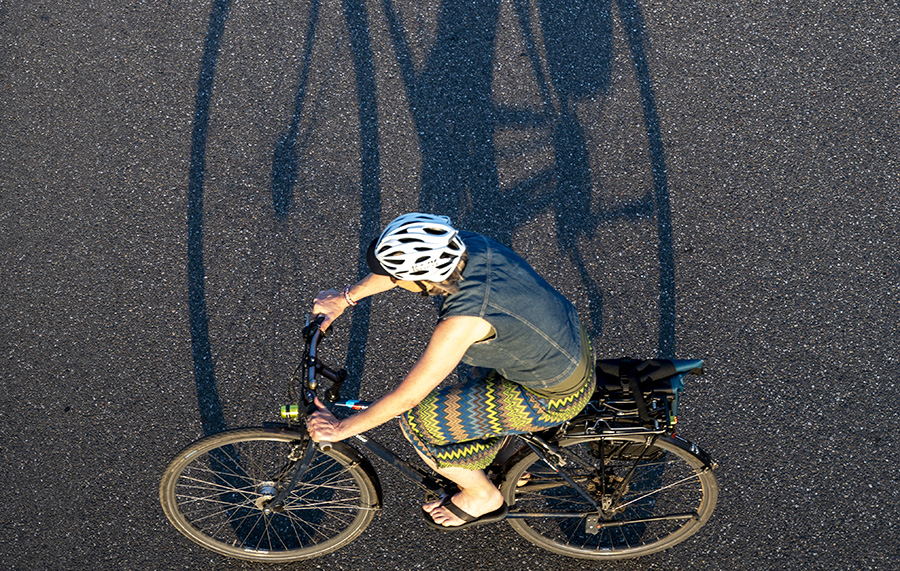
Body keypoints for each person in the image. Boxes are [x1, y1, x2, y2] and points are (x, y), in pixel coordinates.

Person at [307, 213, 595, 530]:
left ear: (423, 278)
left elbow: (407, 398)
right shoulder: (466, 244)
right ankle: (504, 459)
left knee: (420, 420)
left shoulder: (463, 321)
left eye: (397, 277)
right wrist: (345, 298)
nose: (393, 280)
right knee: (466, 395)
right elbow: (401, 272)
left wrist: (340, 430)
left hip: (554, 393)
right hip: (565, 345)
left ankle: (482, 496)